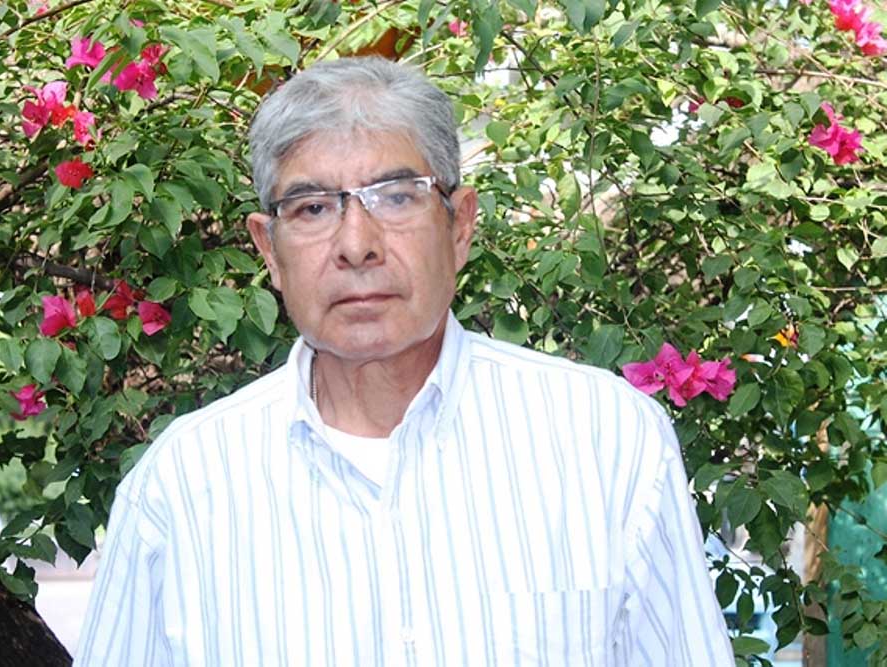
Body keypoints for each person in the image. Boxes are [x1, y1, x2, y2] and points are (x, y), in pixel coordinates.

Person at [75, 56, 735, 666]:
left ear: (460, 225)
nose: (356, 244)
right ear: (269, 250)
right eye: (313, 207)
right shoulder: (182, 486)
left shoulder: (605, 440)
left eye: (395, 196)